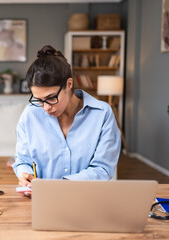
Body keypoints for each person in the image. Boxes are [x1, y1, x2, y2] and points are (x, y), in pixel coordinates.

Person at [12, 45, 121, 196]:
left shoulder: (102, 114)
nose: (45, 107)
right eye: (39, 100)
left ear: (69, 84)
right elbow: (23, 161)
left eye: (50, 98)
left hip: (88, 198)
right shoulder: (30, 115)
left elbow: (103, 169)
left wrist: (61, 186)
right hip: (42, 201)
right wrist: (25, 175)